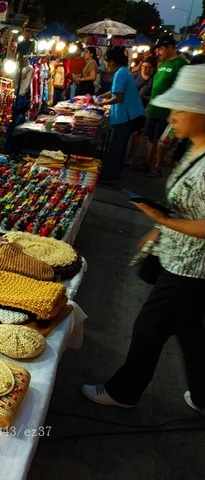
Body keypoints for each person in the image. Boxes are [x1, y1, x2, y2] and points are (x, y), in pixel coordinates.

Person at [82, 65, 205, 415]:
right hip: (180, 257)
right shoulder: (193, 147)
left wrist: (164, 221)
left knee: (150, 327)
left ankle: (124, 391)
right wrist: (161, 226)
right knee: (190, 329)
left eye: (181, 109)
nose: (173, 115)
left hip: (192, 266)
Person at [93, 47, 145, 180]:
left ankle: (110, 173)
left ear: (112, 62)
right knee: (120, 144)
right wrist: (98, 97)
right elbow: (113, 92)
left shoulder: (120, 74)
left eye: (106, 62)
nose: (105, 65)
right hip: (129, 114)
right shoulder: (123, 71)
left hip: (126, 115)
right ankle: (116, 170)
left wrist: (99, 104)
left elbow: (118, 97)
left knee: (116, 145)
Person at [142, 35, 189, 178]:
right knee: (151, 137)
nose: (159, 52)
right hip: (155, 108)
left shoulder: (181, 64)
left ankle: (157, 167)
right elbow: (156, 86)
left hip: (168, 111)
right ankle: (147, 163)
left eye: (162, 48)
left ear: (170, 47)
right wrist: (150, 104)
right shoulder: (163, 64)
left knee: (163, 141)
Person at [126, 57, 156, 168]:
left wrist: (143, 97)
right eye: (143, 66)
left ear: (153, 69)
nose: (145, 69)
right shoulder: (134, 75)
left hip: (142, 111)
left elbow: (154, 97)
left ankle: (131, 157)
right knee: (126, 133)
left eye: (148, 68)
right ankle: (122, 156)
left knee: (136, 135)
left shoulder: (154, 79)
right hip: (129, 108)